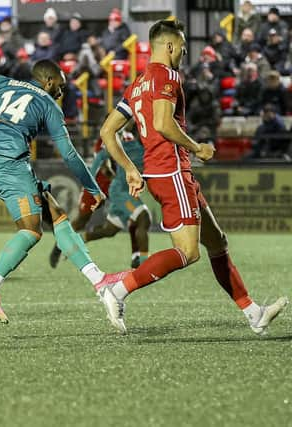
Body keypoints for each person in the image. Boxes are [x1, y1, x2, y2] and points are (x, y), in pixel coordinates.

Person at [98, 18, 288, 335]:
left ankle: (254, 313)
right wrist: (196, 147)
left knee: (217, 241)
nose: (183, 55)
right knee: (188, 252)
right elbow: (162, 122)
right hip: (172, 170)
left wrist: (131, 169)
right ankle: (117, 290)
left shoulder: (139, 82)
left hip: (159, 171)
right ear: (170, 46)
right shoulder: (167, 75)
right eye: (183, 49)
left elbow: (107, 131)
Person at [0, 20, 126, 324]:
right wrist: (92, 187)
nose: (64, 86)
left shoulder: (1, 83)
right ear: (47, 81)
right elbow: (69, 154)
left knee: (57, 217)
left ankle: (98, 279)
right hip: (9, 167)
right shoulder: (48, 104)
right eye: (61, 81)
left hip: (1, 164)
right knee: (31, 230)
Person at [82, 128, 151, 268]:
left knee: (109, 231)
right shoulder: (129, 143)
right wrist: (90, 181)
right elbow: (101, 156)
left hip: (126, 192)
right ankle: (145, 264)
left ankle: (79, 240)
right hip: (121, 192)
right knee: (143, 217)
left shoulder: (151, 148)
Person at [48, 138, 113, 268]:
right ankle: (59, 246)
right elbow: (105, 167)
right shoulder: (104, 137)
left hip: (114, 184)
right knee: (82, 220)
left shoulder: (127, 135)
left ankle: (138, 256)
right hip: (97, 184)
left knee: (127, 218)